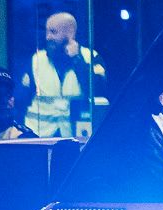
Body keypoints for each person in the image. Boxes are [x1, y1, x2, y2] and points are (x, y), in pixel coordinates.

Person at [21, 11, 105, 139]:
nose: (48, 37)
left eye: (53, 32)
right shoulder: (37, 60)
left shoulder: (91, 57)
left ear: (70, 33)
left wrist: (77, 59)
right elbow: (22, 99)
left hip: (75, 136)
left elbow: (98, 90)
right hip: (40, 137)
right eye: (47, 32)